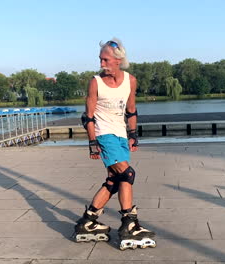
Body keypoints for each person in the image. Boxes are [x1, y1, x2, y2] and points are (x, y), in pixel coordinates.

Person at [74, 38, 156, 250]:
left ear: (118, 60)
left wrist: (132, 134)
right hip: (103, 134)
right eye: (100, 60)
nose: (101, 64)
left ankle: (88, 222)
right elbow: (88, 116)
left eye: (105, 60)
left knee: (115, 179)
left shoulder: (130, 81)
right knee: (127, 174)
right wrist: (92, 143)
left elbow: (131, 109)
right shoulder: (96, 82)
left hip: (120, 134)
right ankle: (129, 225)